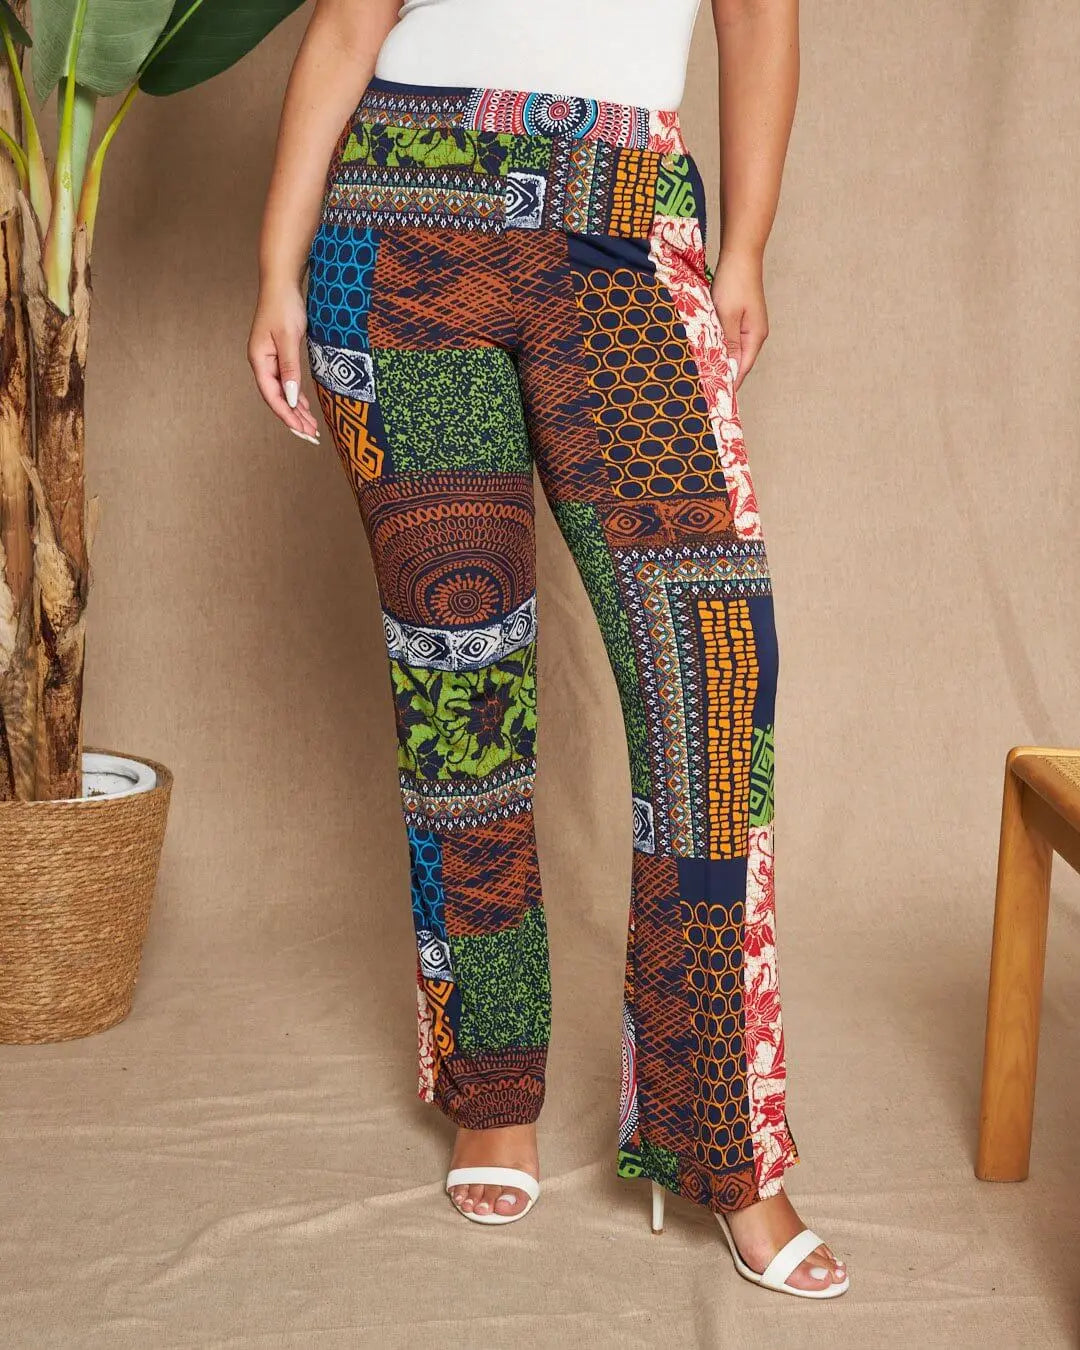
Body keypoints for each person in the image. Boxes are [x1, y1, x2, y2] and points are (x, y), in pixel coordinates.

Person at [249, 0, 848, 1300]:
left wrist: (745, 246)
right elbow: (350, 23)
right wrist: (278, 267)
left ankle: (724, 1143)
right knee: (459, 678)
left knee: (709, 673)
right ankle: (492, 1084)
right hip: (399, 209)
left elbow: (759, 18)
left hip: (625, 218)